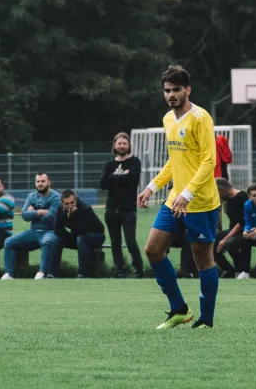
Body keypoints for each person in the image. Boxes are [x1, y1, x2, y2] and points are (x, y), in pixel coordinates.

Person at [137, 65, 220, 329]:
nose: (171, 95)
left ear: (188, 90)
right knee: (153, 249)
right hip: (176, 200)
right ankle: (179, 310)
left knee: (202, 259)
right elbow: (174, 161)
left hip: (201, 201)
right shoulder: (167, 119)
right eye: (167, 90)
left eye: (176, 90)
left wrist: (188, 193)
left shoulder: (200, 117)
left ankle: (206, 321)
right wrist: (152, 186)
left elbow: (209, 161)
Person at [100, 132, 144, 278]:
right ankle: (120, 270)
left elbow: (133, 178)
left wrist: (113, 178)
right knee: (115, 243)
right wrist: (120, 176)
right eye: (119, 143)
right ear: (114, 145)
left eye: (124, 143)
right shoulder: (109, 164)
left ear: (129, 145)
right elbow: (103, 184)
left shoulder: (135, 162)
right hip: (111, 210)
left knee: (131, 241)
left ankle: (138, 270)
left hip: (128, 210)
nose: (122, 146)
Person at [1, 172, 61, 280]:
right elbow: (24, 215)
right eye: (38, 181)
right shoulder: (31, 196)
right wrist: (41, 212)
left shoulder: (56, 198)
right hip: (33, 231)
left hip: (50, 231)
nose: (40, 184)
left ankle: (42, 273)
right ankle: (9, 274)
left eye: (43, 181)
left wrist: (34, 212)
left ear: (49, 183)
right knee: (8, 242)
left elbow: (51, 219)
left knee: (47, 242)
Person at [51, 190, 105, 278]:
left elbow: (83, 230)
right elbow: (57, 230)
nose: (70, 206)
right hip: (78, 236)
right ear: (62, 203)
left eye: (72, 202)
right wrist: (68, 237)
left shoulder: (85, 209)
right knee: (57, 240)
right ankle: (52, 274)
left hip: (96, 235)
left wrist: (71, 217)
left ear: (75, 200)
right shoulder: (60, 209)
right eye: (67, 203)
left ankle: (82, 273)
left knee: (81, 238)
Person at [214, 178, 249, 278]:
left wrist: (225, 239)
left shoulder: (242, 197)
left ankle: (241, 270)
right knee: (211, 242)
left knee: (229, 243)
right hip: (233, 230)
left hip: (244, 230)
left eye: (217, 193)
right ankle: (229, 270)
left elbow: (241, 222)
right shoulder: (228, 200)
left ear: (223, 190)